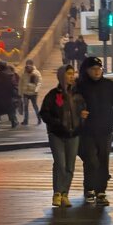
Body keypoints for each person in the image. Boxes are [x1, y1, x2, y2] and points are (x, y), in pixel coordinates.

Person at [40, 65, 88, 208]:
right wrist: (57, 123)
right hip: (57, 134)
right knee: (60, 164)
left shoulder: (77, 95)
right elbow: (44, 113)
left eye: (73, 74)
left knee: (70, 166)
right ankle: (57, 193)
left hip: (74, 134)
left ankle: (64, 193)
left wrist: (82, 118)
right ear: (62, 76)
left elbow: (83, 111)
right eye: (68, 74)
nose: (72, 76)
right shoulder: (53, 95)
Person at [75, 56, 113, 205]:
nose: (97, 72)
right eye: (93, 69)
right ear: (87, 70)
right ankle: (89, 189)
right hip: (86, 130)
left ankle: (101, 191)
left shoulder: (109, 85)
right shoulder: (80, 86)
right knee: (91, 161)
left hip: (105, 129)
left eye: (99, 69)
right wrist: (79, 112)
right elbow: (71, 104)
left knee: (103, 160)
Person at [0, 60, 18, 129]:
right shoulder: (8, 76)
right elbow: (11, 86)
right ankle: (13, 122)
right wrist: (13, 94)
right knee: (10, 110)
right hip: (7, 96)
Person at [19, 59, 42, 125]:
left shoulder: (36, 74)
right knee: (26, 106)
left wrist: (36, 90)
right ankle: (26, 120)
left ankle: (39, 118)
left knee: (34, 106)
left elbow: (39, 82)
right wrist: (20, 93)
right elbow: (20, 84)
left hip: (33, 93)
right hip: (26, 93)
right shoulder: (24, 74)